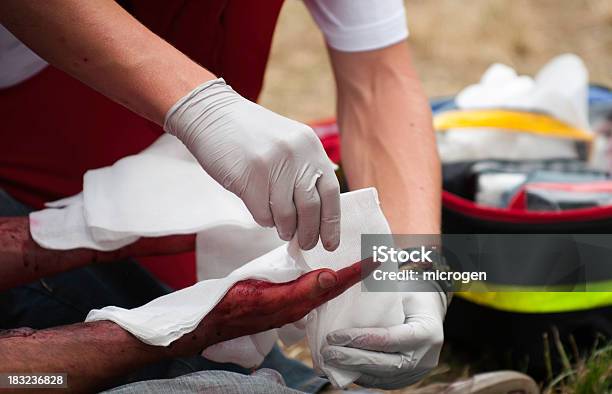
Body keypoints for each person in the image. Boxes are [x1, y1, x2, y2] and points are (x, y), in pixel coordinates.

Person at [0, 0, 446, 392]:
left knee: (234, 361)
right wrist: (199, 105)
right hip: (22, 191)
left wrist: (414, 264)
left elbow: (377, 79)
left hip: (173, 224)